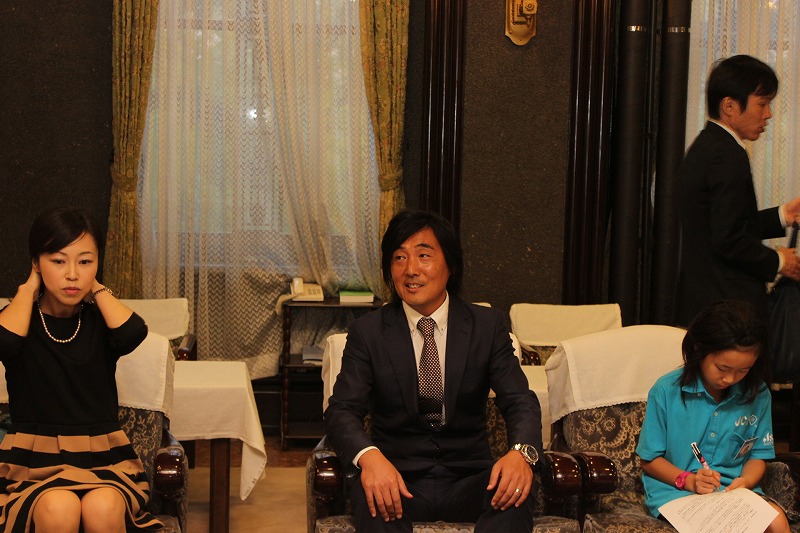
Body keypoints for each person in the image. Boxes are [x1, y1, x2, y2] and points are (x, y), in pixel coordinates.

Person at [324, 209, 542, 532]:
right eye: (399, 258)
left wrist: (521, 454)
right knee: (374, 499)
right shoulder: (367, 333)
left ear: (450, 265)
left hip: (470, 477)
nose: (410, 269)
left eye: (423, 255)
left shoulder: (487, 327)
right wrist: (369, 457)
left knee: (515, 492)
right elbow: (342, 410)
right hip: (396, 477)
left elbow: (520, 400)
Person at [0, 207, 161, 533]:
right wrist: (28, 289)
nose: (72, 274)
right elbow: (5, 343)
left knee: (102, 507)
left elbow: (133, 332)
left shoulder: (99, 321)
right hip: (33, 465)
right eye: (58, 261)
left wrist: (96, 287)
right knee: (59, 507)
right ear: (37, 263)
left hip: (104, 459)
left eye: (85, 262)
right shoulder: (20, 318)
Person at [637, 300, 790, 532]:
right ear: (699, 350)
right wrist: (690, 480)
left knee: (777, 522)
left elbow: (758, 456)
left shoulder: (757, 394)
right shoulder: (666, 391)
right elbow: (648, 460)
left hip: (735, 492)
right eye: (722, 368)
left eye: (743, 370)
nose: (730, 379)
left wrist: (745, 482)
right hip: (677, 491)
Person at [675, 54, 800, 327]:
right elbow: (729, 240)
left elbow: (724, 224)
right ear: (730, 106)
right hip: (726, 309)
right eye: (762, 104)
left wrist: (782, 215)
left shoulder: (708, 145)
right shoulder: (726, 155)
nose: (768, 114)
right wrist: (780, 261)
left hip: (708, 300)